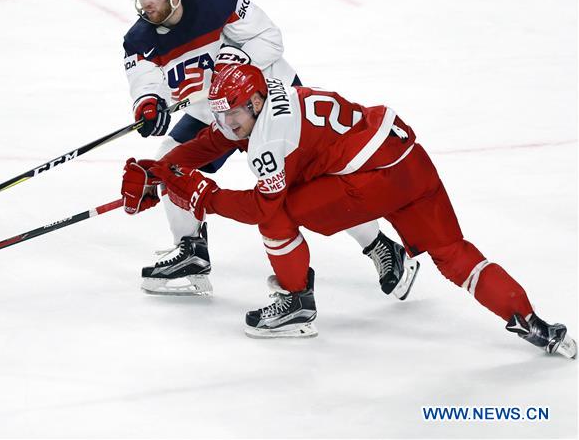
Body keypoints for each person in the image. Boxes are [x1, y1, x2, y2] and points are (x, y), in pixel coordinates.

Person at [120, 64, 577, 358]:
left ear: (255, 103)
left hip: (373, 180)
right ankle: (532, 321)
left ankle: (297, 304)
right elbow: (217, 140)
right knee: (453, 253)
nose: (226, 123)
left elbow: (259, 208)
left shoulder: (269, 139)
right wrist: (161, 169)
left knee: (279, 212)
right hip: (408, 159)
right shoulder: (268, 96)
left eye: (232, 114)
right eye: (219, 114)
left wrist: (202, 195)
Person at [122, 0, 417, 298]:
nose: (147, 3)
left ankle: (381, 246)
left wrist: (237, 63)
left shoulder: (216, 1)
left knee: (312, 183)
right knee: (169, 159)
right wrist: (149, 104)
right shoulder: (138, 39)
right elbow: (145, 82)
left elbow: (270, 38)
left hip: (270, 100)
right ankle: (191, 251)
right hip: (215, 112)